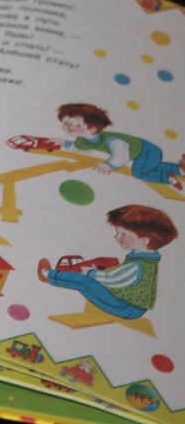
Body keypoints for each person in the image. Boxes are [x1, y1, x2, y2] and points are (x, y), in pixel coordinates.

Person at [38, 204, 177, 319]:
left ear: (144, 241)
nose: (117, 236)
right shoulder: (144, 259)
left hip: (125, 307)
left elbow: (113, 279)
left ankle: (48, 275)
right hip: (127, 304)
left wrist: (91, 273)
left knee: (83, 281)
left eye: (123, 233)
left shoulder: (137, 265)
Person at [50, 103, 185, 189]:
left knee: (139, 172)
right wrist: (64, 143)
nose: (69, 127)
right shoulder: (84, 139)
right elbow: (81, 149)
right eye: (66, 122)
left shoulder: (112, 140)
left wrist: (109, 165)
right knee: (149, 166)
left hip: (148, 151)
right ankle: (179, 168)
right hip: (143, 155)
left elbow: (122, 156)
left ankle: (168, 178)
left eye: (77, 125)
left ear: (92, 129)